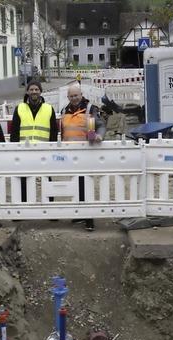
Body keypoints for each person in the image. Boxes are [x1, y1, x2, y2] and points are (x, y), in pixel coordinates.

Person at [60, 84, 106, 231]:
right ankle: (80, 213)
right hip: (70, 155)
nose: (74, 98)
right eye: (71, 96)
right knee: (76, 184)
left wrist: (99, 136)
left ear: (81, 95)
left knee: (86, 186)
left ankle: (89, 218)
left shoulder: (90, 109)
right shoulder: (64, 111)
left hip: (86, 153)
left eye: (76, 95)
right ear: (68, 97)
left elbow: (100, 125)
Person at [10, 80, 59, 202]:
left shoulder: (48, 109)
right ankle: (22, 208)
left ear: (41, 92)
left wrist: (52, 148)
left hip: (43, 151)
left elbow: (54, 131)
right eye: (31, 89)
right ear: (27, 91)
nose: (34, 92)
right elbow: (14, 131)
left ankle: (49, 207)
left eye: (36, 89)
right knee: (23, 180)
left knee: (46, 179)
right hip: (24, 151)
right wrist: (14, 150)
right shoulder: (20, 108)